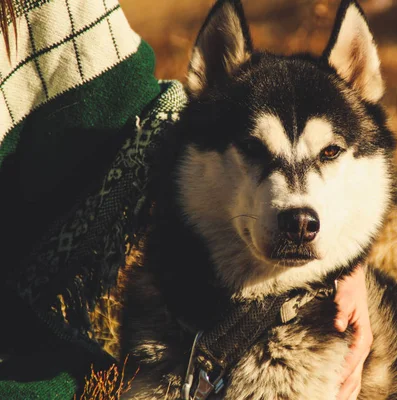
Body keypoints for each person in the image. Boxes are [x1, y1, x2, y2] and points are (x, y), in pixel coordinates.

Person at [0, 0, 372, 398]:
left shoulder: (42, 7)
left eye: (329, 153)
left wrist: (351, 267)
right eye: (253, 148)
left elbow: (150, 116)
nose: (298, 205)